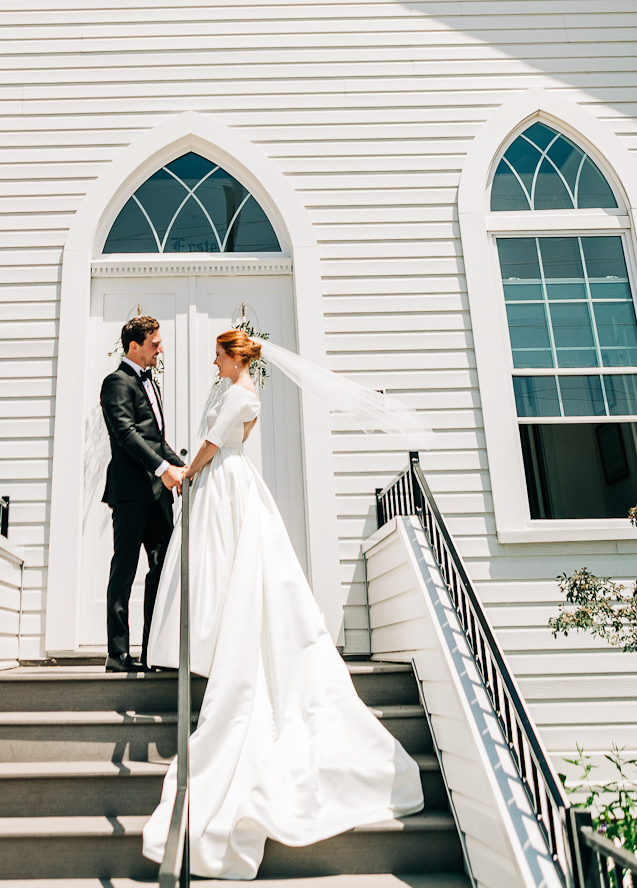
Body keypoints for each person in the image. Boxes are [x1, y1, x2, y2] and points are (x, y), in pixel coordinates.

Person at [141, 328, 424, 880]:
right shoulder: (233, 391)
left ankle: (230, 644)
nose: (214, 362)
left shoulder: (241, 394)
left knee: (236, 567)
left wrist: (187, 474)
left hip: (224, 480)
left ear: (234, 357)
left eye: (218, 355)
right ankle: (218, 638)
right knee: (226, 567)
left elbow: (212, 444)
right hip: (224, 480)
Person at [99, 315, 186, 673]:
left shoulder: (152, 383)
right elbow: (126, 434)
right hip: (131, 494)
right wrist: (165, 470)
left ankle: (153, 651)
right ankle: (117, 653)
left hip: (158, 496)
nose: (160, 349)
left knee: (162, 569)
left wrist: (184, 468)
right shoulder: (116, 383)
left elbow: (155, 440)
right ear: (134, 346)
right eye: (155, 344)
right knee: (124, 570)